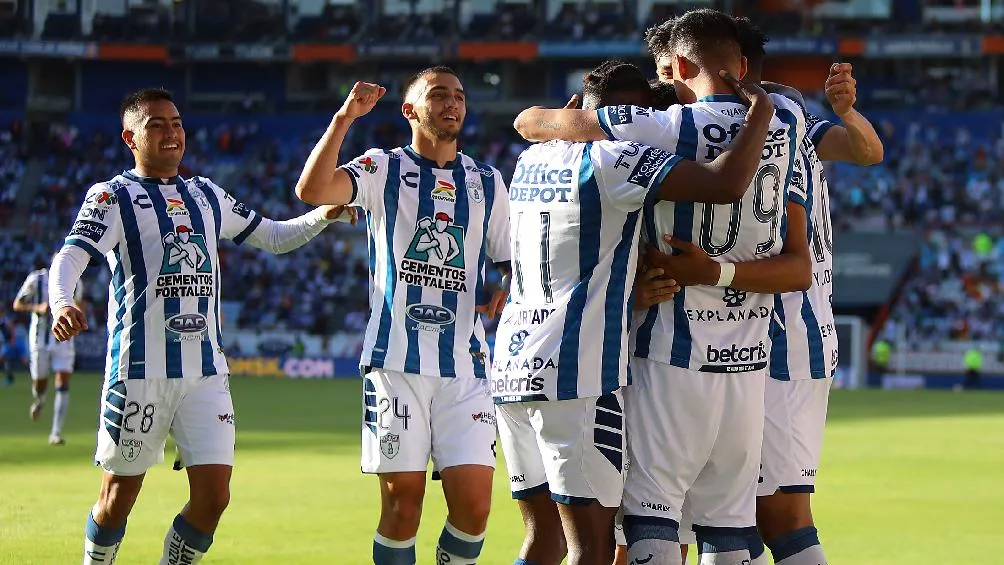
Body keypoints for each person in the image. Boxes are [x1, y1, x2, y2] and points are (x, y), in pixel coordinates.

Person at [514, 9, 812, 565]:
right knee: (729, 526)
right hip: (748, 360)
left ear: (677, 64)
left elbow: (534, 122)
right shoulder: (787, 125)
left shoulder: (662, 126)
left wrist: (554, 119)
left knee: (652, 514)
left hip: (672, 350)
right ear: (743, 66)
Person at [49, 87, 354, 565]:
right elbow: (70, 257)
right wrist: (61, 301)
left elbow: (272, 236)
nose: (171, 132)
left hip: (206, 375)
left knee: (214, 499)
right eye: (156, 125)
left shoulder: (206, 193)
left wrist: (321, 214)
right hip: (138, 374)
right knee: (116, 502)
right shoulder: (112, 197)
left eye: (176, 123)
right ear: (130, 137)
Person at [295, 67, 511, 565]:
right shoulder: (381, 169)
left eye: (460, 95)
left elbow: (508, 258)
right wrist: (346, 118)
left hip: (467, 367)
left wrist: (504, 284)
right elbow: (313, 190)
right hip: (396, 364)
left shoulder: (485, 181)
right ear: (411, 111)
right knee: (403, 506)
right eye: (438, 95)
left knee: (475, 508)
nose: (452, 103)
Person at [725, 16, 883, 565]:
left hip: (790, 337)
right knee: (727, 511)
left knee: (781, 514)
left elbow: (866, 151)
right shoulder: (733, 131)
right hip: (731, 336)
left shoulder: (792, 123)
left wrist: (846, 114)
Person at [13, 258, 85, 444]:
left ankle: (56, 432)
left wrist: (76, 310)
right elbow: (17, 304)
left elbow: (80, 304)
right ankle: (39, 400)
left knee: (62, 381)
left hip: (65, 340)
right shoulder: (36, 279)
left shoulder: (76, 280)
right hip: (40, 339)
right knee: (40, 383)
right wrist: (37, 307)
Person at [0, 304, 16, 386]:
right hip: (2, 343)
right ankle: (9, 377)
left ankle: (9, 378)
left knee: (3, 358)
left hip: (6, 343)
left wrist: (13, 339)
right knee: (5, 360)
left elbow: (11, 329)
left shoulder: (5, 320)